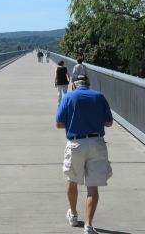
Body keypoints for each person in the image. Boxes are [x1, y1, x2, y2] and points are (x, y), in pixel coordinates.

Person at [55, 75, 113, 234]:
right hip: (97, 143)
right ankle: (88, 225)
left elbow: (59, 124)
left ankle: (73, 214)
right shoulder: (99, 96)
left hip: (76, 144)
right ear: (89, 84)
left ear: (74, 85)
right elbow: (109, 122)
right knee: (92, 187)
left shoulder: (69, 96)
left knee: (72, 179)